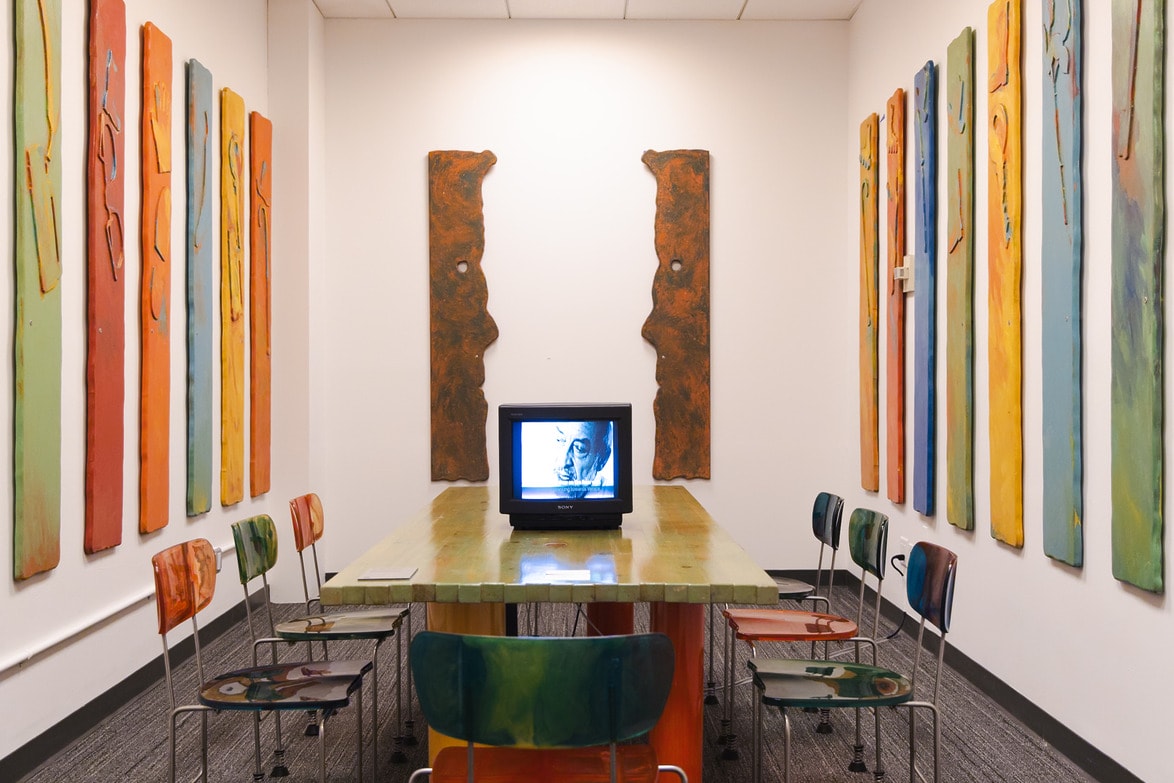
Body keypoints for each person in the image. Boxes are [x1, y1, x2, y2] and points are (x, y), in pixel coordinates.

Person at [553, 421, 613, 498]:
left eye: (579, 448)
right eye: (560, 440)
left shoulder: (609, 495)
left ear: (602, 459)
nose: (563, 462)